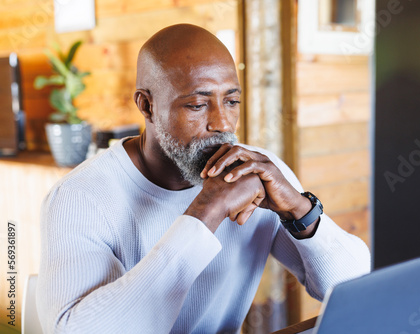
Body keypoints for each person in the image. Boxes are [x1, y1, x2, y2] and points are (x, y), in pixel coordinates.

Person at [37, 24, 370, 333]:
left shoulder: (255, 172)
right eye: (197, 105)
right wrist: (206, 211)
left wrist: (299, 210)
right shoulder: (80, 197)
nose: (223, 124)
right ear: (147, 105)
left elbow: (357, 288)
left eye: (232, 101)